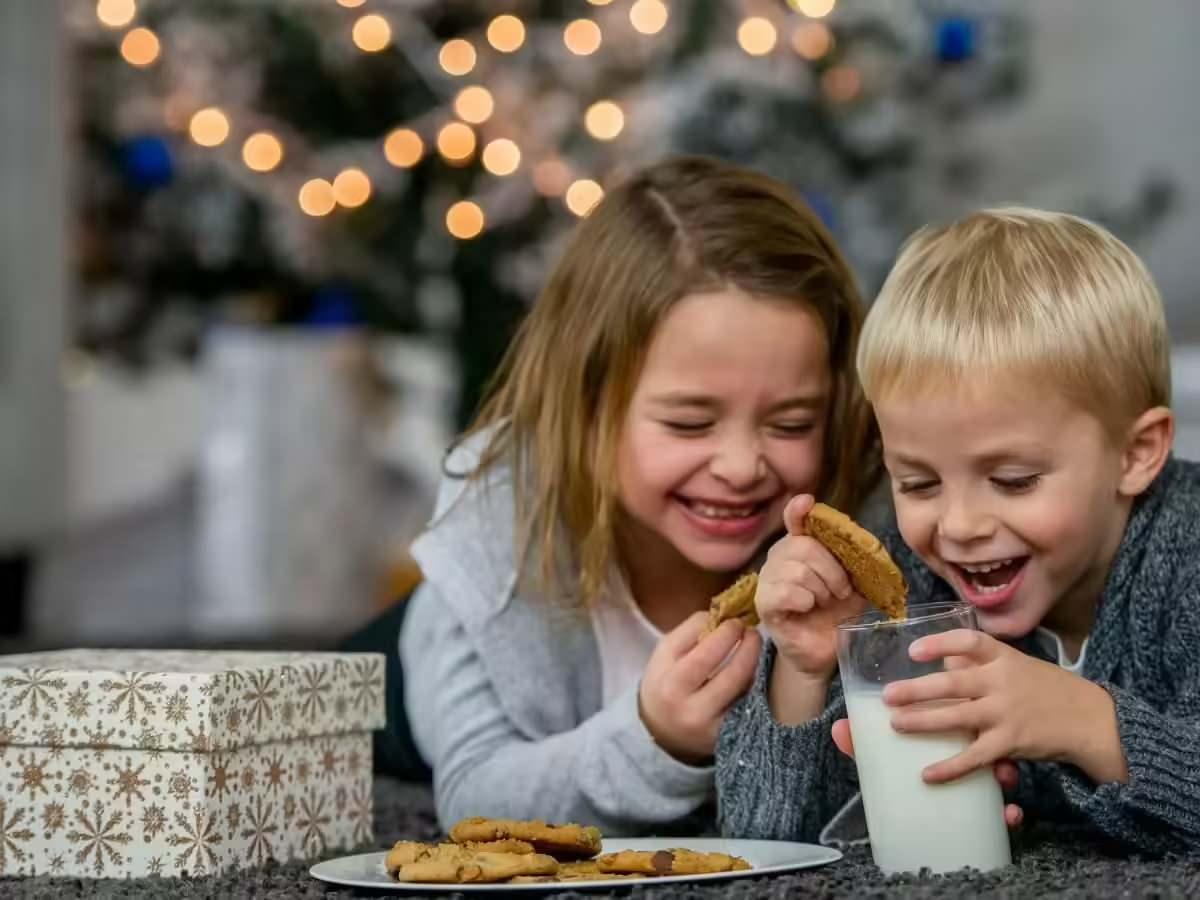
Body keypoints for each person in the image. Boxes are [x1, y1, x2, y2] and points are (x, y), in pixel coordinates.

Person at [398, 155, 883, 832]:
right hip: (414, 650)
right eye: (689, 422)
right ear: (586, 402)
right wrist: (656, 737)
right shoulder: (489, 547)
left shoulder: (846, 536)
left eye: (792, 423)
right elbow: (476, 799)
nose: (743, 466)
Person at [717, 207, 1200, 856]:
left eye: (1014, 479)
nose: (960, 526)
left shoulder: (1187, 556)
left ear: (1136, 452)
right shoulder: (910, 588)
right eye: (917, 484)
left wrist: (1085, 722)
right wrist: (805, 673)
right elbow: (766, 846)